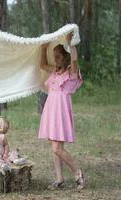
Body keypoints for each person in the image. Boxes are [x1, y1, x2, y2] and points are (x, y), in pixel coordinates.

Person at [38, 32, 85, 190]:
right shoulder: (54, 72)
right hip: (51, 111)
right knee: (53, 145)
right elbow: (42, 64)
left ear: (65, 57)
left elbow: (75, 59)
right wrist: (43, 48)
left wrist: (70, 44)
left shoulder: (71, 73)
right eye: (54, 56)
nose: (55, 59)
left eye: (58, 56)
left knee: (57, 148)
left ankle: (77, 172)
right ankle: (59, 178)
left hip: (61, 112)